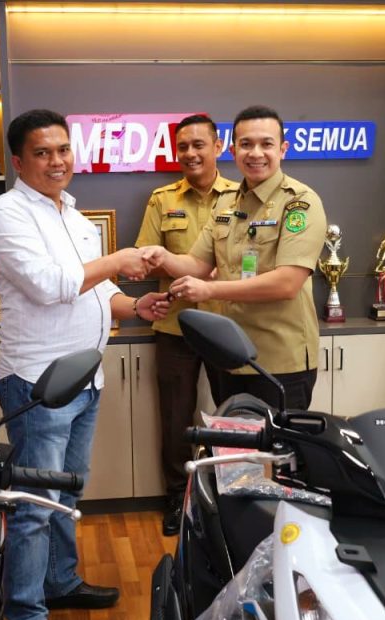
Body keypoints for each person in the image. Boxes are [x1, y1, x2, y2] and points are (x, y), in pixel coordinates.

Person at [0, 109, 170, 620]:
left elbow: (98, 289)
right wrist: (119, 260)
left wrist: (135, 304)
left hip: (85, 378)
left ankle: (59, 581)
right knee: (36, 505)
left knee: (65, 493)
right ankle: (25, 615)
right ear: (19, 161)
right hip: (37, 383)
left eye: (63, 149)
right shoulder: (7, 215)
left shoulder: (74, 215)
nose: (57, 161)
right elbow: (50, 286)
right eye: (42, 152)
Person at [141, 105, 327, 411]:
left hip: (278, 362)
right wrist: (163, 256)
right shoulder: (226, 204)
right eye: (246, 144)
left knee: (275, 443)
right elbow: (197, 265)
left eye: (266, 144)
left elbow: (287, 283)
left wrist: (210, 290)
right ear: (232, 150)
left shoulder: (299, 202)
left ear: (283, 149)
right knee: (232, 441)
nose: (256, 153)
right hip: (230, 358)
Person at [134, 114, 239, 536]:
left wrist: (212, 276)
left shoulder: (242, 196)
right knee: (176, 420)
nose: (191, 153)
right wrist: (190, 269)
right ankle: (178, 499)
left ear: (218, 147)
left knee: (234, 416)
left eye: (199, 144)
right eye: (183, 147)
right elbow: (146, 256)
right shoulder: (162, 200)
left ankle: (230, 498)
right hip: (175, 326)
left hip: (230, 324)